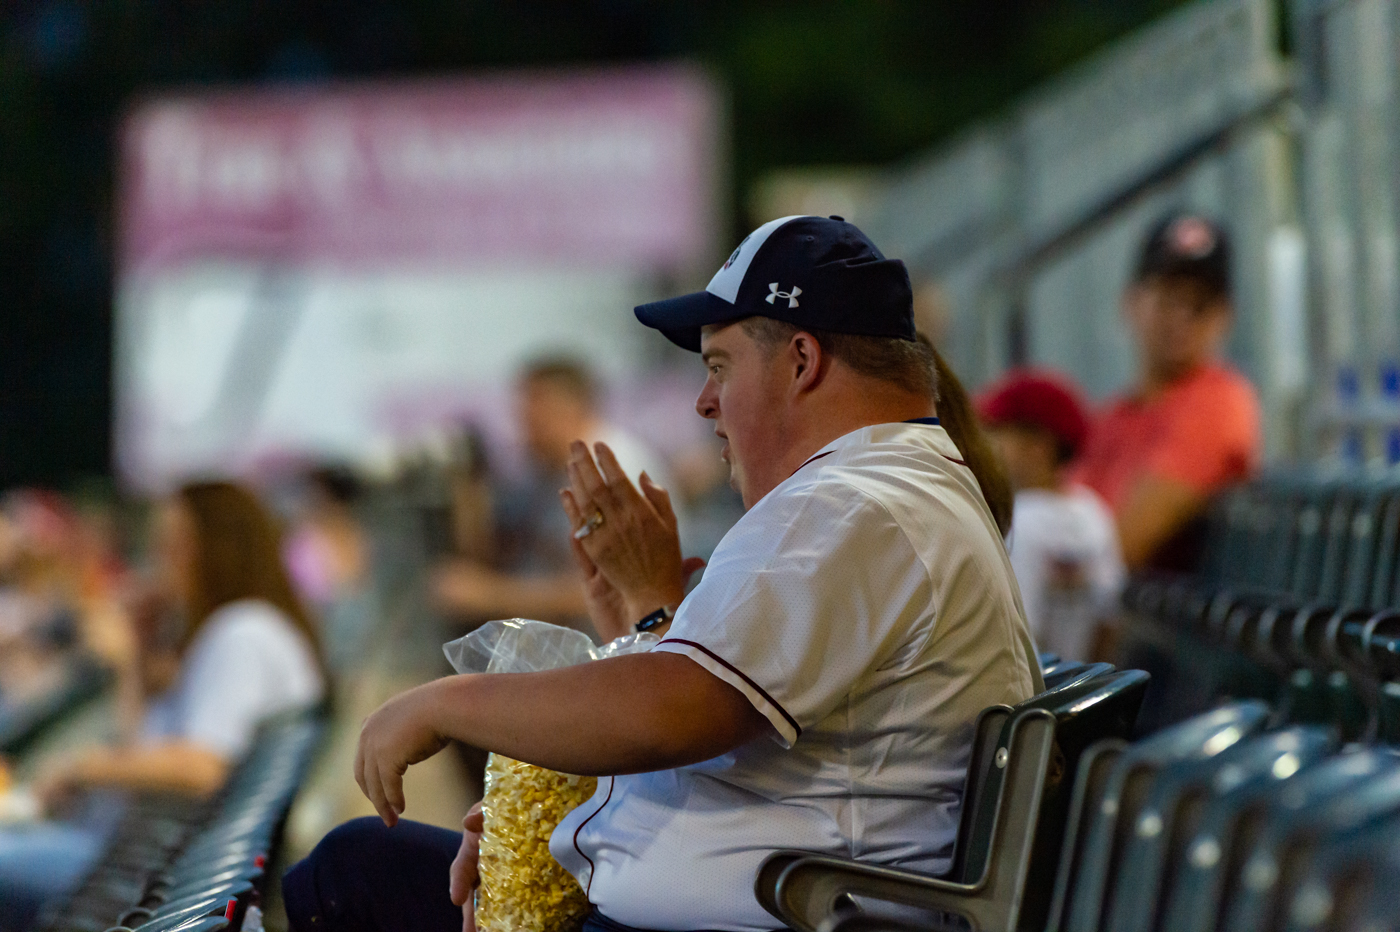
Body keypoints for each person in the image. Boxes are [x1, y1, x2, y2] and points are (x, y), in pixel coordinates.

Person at [283, 215, 1041, 932]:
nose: (705, 402)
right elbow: (715, 720)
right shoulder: (881, 489)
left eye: (720, 366)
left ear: (803, 362)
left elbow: (677, 710)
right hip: (762, 906)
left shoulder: (854, 503)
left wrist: (445, 702)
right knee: (356, 866)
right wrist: (559, 827)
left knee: (349, 873)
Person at [0, 482, 326, 930]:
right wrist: (133, 653)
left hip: (157, 875)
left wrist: (80, 767)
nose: (157, 561)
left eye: (170, 544)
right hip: (161, 862)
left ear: (213, 550)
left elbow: (201, 768)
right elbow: (151, 743)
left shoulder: (241, 634)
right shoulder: (244, 629)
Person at [433, 357, 682, 641]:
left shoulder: (610, 472)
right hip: (584, 651)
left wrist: (491, 596)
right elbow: (501, 546)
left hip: (629, 649)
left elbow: (615, 591)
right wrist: (469, 484)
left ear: (571, 408)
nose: (523, 427)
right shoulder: (548, 469)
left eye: (534, 411)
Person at [1072, 213, 1262, 571]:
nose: (1181, 318)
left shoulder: (1218, 402)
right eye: (1168, 297)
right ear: (1131, 302)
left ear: (1225, 316)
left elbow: (1118, 548)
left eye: (1199, 305)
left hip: (1168, 620)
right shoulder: (1113, 416)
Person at [978, 369, 1123, 661]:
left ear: (1037, 445)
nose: (987, 447)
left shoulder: (1019, 521)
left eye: (998, 434)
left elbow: (1018, 635)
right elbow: (1109, 619)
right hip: (1083, 687)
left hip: (1034, 695)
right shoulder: (1094, 510)